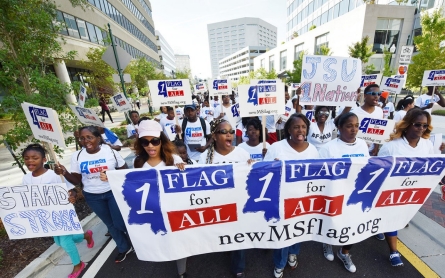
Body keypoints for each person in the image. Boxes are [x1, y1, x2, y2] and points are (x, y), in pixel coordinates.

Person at [54, 126, 133, 263]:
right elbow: (77, 180)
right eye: (82, 138)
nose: (85, 141)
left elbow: (124, 171)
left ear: (98, 138)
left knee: (119, 222)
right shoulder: (77, 156)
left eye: (89, 137)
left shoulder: (109, 151)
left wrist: (110, 176)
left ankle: (136, 240)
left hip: (112, 192)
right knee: (110, 224)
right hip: (92, 196)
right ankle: (123, 248)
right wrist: (65, 172)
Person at [22, 144, 94, 278]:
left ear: (43, 159)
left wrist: (72, 196)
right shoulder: (26, 178)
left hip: (61, 213)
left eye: (34, 158)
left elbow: (71, 190)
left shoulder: (54, 175)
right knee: (58, 242)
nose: (30, 161)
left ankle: (78, 265)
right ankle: (86, 236)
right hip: (45, 216)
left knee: (65, 242)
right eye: (27, 158)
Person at [377, 108, 437, 267]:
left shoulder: (426, 144)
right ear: (408, 124)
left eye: (425, 126)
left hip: (413, 192)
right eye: (418, 125)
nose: (422, 129)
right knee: (392, 219)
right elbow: (378, 171)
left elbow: (431, 166)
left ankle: (379, 227)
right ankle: (393, 252)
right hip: (392, 192)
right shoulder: (391, 147)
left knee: (399, 218)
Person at [264, 113, 319, 278]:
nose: (300, 130)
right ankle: (279, 263)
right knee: (283, 233)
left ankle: (293, 253)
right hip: (281, 200)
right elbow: (264, 171)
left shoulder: (313, 149)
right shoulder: (277, 147)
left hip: (303, 200)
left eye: (303, 127)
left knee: (299, 230)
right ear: (288, 129)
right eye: (296, 127)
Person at [198, 119, 251, 278]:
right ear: (214, 136)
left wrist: (252, 166)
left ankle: (238, 267)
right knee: (225, 234)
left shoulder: (242, 154)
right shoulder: (204, 157)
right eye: (224, 132)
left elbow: (250, 178)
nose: (229, 135)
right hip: (218, 205)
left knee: (239, 237)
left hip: (239, 204)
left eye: (231, 132)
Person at [318, 112, 370, 273]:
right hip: (335, 194)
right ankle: (327, 243)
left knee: (353, 226)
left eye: (356, 126)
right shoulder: (328, 148)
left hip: (356, 195)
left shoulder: (362, 145)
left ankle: (344, 252)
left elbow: (367, 168)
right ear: (339, 127)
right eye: (349, 126)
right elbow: (321, 174)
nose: (354, 129)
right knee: (332, 223)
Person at [351, 84, 384, 156]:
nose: (377, 96)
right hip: (356, 151)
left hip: (371, 152)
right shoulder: (354, 112)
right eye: (373, 94)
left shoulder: (380, 111)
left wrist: (376, 147)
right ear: (365, 95)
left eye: (379, 94)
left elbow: (379, 131)